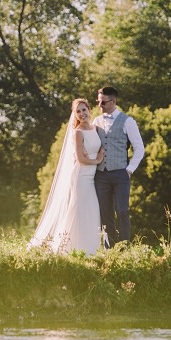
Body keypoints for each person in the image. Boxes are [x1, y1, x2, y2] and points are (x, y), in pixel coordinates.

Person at [29, 97, 104, 255]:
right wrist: (97, 160)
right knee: (80, 210)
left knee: (92, 210)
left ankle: (91, 250)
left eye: (84, 109)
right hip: (81, 177)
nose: (82, 113)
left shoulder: (95, 128)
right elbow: (80, 159)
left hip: (92, 176)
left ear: (89, 110)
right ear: (75, 115)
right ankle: (68, 248)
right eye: (78, 111)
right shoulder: (78, 133)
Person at [92, 85, 145, 245]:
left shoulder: (128, 121)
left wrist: (129, 170)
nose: (99, 105)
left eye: (103, 102)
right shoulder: (96, 121)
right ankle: (110, 251)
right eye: (98, 102)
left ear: (113, 101)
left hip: (121, 174)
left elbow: (139, 148)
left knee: (122, 211)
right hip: (101, 175)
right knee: (105, 214)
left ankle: (124, 247)